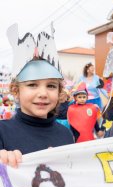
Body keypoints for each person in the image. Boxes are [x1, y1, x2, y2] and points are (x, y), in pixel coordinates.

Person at [0, 24, 74, 168]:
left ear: (59, 92)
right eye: (32, 85)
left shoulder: (65, 134)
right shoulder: (2, 132)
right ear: (16, 91)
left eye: (51, 86)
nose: (43, 94)